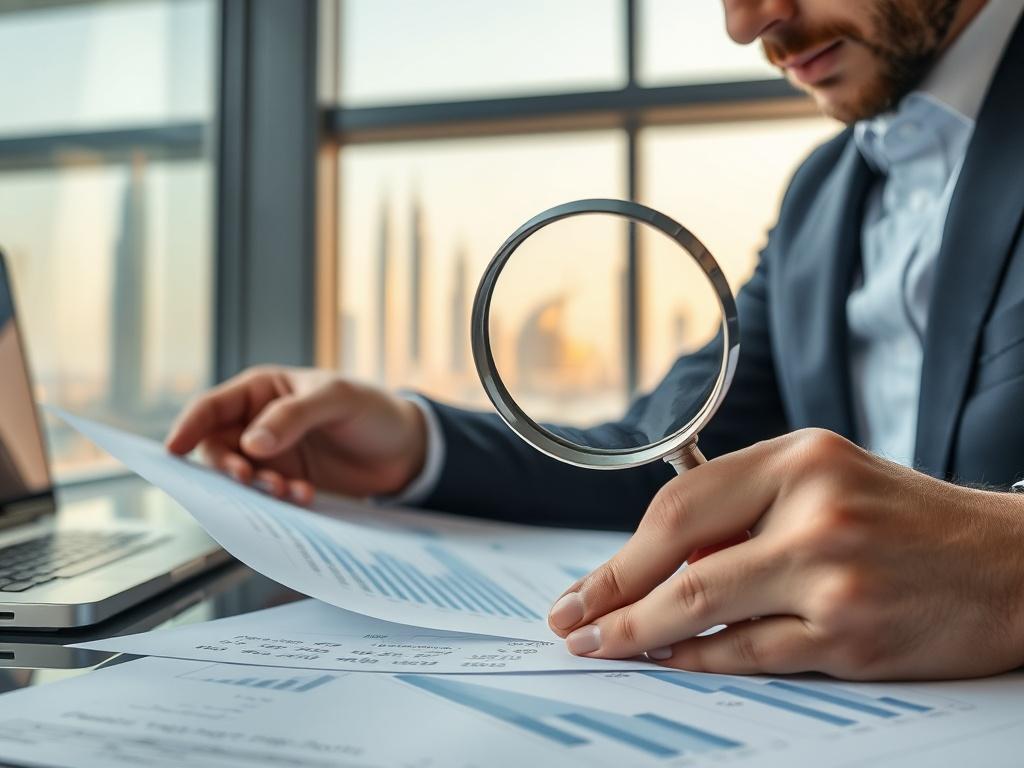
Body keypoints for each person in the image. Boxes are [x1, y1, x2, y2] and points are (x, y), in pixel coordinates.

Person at [167, 0, 1024, 681]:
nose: (744, 22)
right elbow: (665, 455)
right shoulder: (821, 196)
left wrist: (1005, 566)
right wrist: (414, 444)